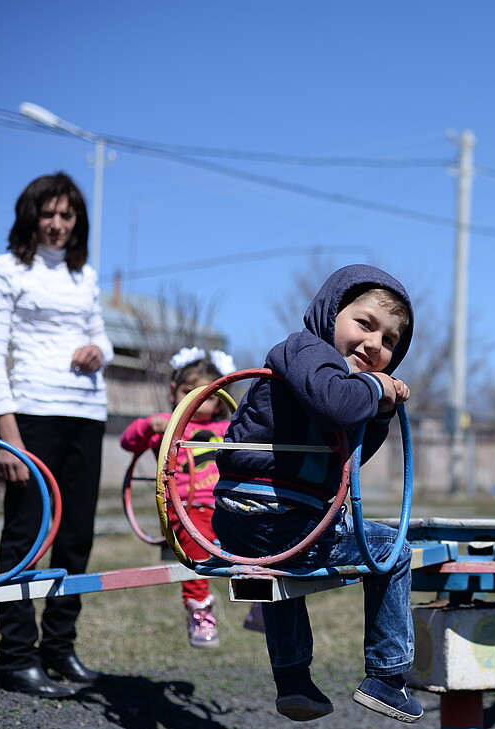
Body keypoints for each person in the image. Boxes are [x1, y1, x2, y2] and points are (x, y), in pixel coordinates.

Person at [212, 264, 422, 723]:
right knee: (393, 550)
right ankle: (387, 677)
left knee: (279, 574)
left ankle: (294, 683)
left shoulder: (329, 374)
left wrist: (381, 412)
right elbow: (336, 402)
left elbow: (349, 460)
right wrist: (373, 387)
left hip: (256, 523)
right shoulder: (306, 351)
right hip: (274, 512)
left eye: (389, 342)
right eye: (364, 324)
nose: (373, 344)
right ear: (330, 313)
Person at [0, 173, 113, 698]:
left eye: (67, 216)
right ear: (31, 215)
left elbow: (102, 338)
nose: (58, 225)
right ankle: (15, 656)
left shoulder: (82, 275)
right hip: (33, 415)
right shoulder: (6, 272)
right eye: (50, 214)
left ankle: (58, 647)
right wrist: (8, 435)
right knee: (25, 538)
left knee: (76, 540)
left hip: (87, 413)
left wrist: (99, 353)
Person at [119, 347, 264, 648]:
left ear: (220, 397)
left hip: (226, 505)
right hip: (186, 509)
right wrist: (149, 425)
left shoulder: (227, 427)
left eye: (208, 396)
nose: (199, 402)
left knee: (258, 534)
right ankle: (199, 609)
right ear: (175, 391)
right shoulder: (167, 425)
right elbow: (127, 441)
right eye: (189, 392)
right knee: (195, 541)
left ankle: (260, 603)